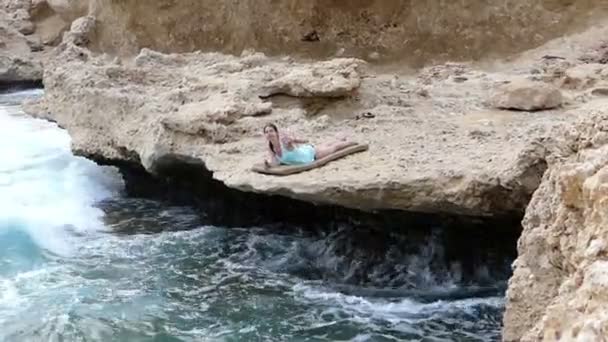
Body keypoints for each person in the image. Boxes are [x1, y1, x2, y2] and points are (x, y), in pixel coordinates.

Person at [263, 123, 355, 167]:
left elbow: (305, 140)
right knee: (325, 145)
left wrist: (293, 140)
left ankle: (350, 142)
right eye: (266, 132)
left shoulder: (284, 142)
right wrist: (269, 164)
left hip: (311, 155)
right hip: (305, 151)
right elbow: (274, 162)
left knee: (334, 148)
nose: (269, 133)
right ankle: (340, 138)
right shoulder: (270, 147)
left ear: (276, 133)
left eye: (271, 131)